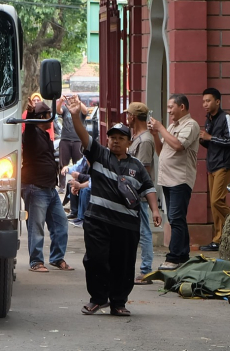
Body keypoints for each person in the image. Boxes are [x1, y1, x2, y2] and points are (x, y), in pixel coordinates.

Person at [74, 116, 161, 316]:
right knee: (96, 260)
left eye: (121, 138)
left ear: (129, 142)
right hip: (97, 220)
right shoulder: (99, 155)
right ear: (107, 140)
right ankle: (97, 299)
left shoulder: (137, 166)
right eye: (112, 137)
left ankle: (118, 303)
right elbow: (83, 135)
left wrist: (155, 210)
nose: (115, 140)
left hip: (126, 225)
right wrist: (73, 115)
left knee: (123, 264)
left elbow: (148, 188)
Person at [149, 94, 200, 269]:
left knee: (176, 219)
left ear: (182, 107)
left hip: (180, 179)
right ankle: (182, 255)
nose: (169, 110)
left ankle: (173, 258)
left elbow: (179, 146)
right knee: (175, 218)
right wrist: (156, 134)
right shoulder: (171, 126)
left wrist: (161, 127)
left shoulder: (191, 125)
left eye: (171, 107)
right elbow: (161, 151)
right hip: (168, 179)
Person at [22, 101, 71, 272]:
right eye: (47, 115)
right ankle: (36, 262)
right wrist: (29, 115)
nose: (51, 119)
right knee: (36, 226)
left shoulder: (44, 134)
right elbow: (28, 130)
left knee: (61, 223)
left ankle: (57, 258)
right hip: (36, 187)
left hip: (50, 187)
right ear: (41, 118)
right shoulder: (32, 134)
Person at [199, 87, 230, 251]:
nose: (205, 104)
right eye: (203, 101)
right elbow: (211, 143)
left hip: (225, 164)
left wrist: (210, 137)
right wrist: (203, 139)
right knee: (216, 203)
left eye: (208, 101)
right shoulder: (209, 119)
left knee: (217, 201)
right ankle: (219, 238)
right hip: (212, 164)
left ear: (217, 101)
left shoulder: (227, 118)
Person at [125, 103, 157, 283]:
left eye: (128, 115)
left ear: (134, 117)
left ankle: (146, 270)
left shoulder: (145, 140)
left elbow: (142, 170)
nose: (127, 118)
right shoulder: (136, 137)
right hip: (130, 193)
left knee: (144, 231)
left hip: (139, 194)